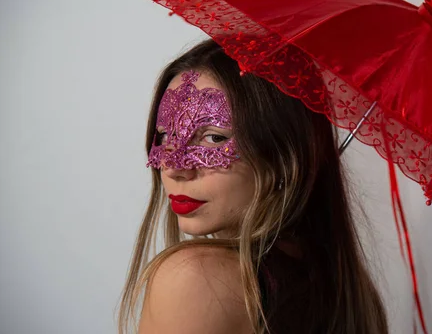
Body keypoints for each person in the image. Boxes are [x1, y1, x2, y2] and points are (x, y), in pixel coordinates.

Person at [117, 38, 389, 333]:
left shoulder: (195, 278)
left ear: (286, 157)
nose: (175, 167)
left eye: (214, 137)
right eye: (165, 136)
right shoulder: (344, 291)